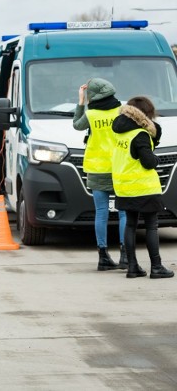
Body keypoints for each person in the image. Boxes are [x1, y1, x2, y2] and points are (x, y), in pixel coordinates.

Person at [112, 96, 174, 279]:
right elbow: (148, 162)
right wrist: (157, 159)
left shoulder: (119, 132)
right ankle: (156, 267)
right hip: (144, 187)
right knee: (151, 227)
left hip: (124, 187)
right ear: (145, 115)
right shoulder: (140, 135)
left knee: (130, 225)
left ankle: (132, 267)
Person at [73, 78, 127, 271]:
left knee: (101, 213)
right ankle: (125, 256)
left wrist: (80, 102)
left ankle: (103, 257)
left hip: (96, 167)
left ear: (92, 96)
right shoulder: (121, 110)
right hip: (120, 167)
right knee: (123, 212)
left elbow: (77, 125)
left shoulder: (91, 114)